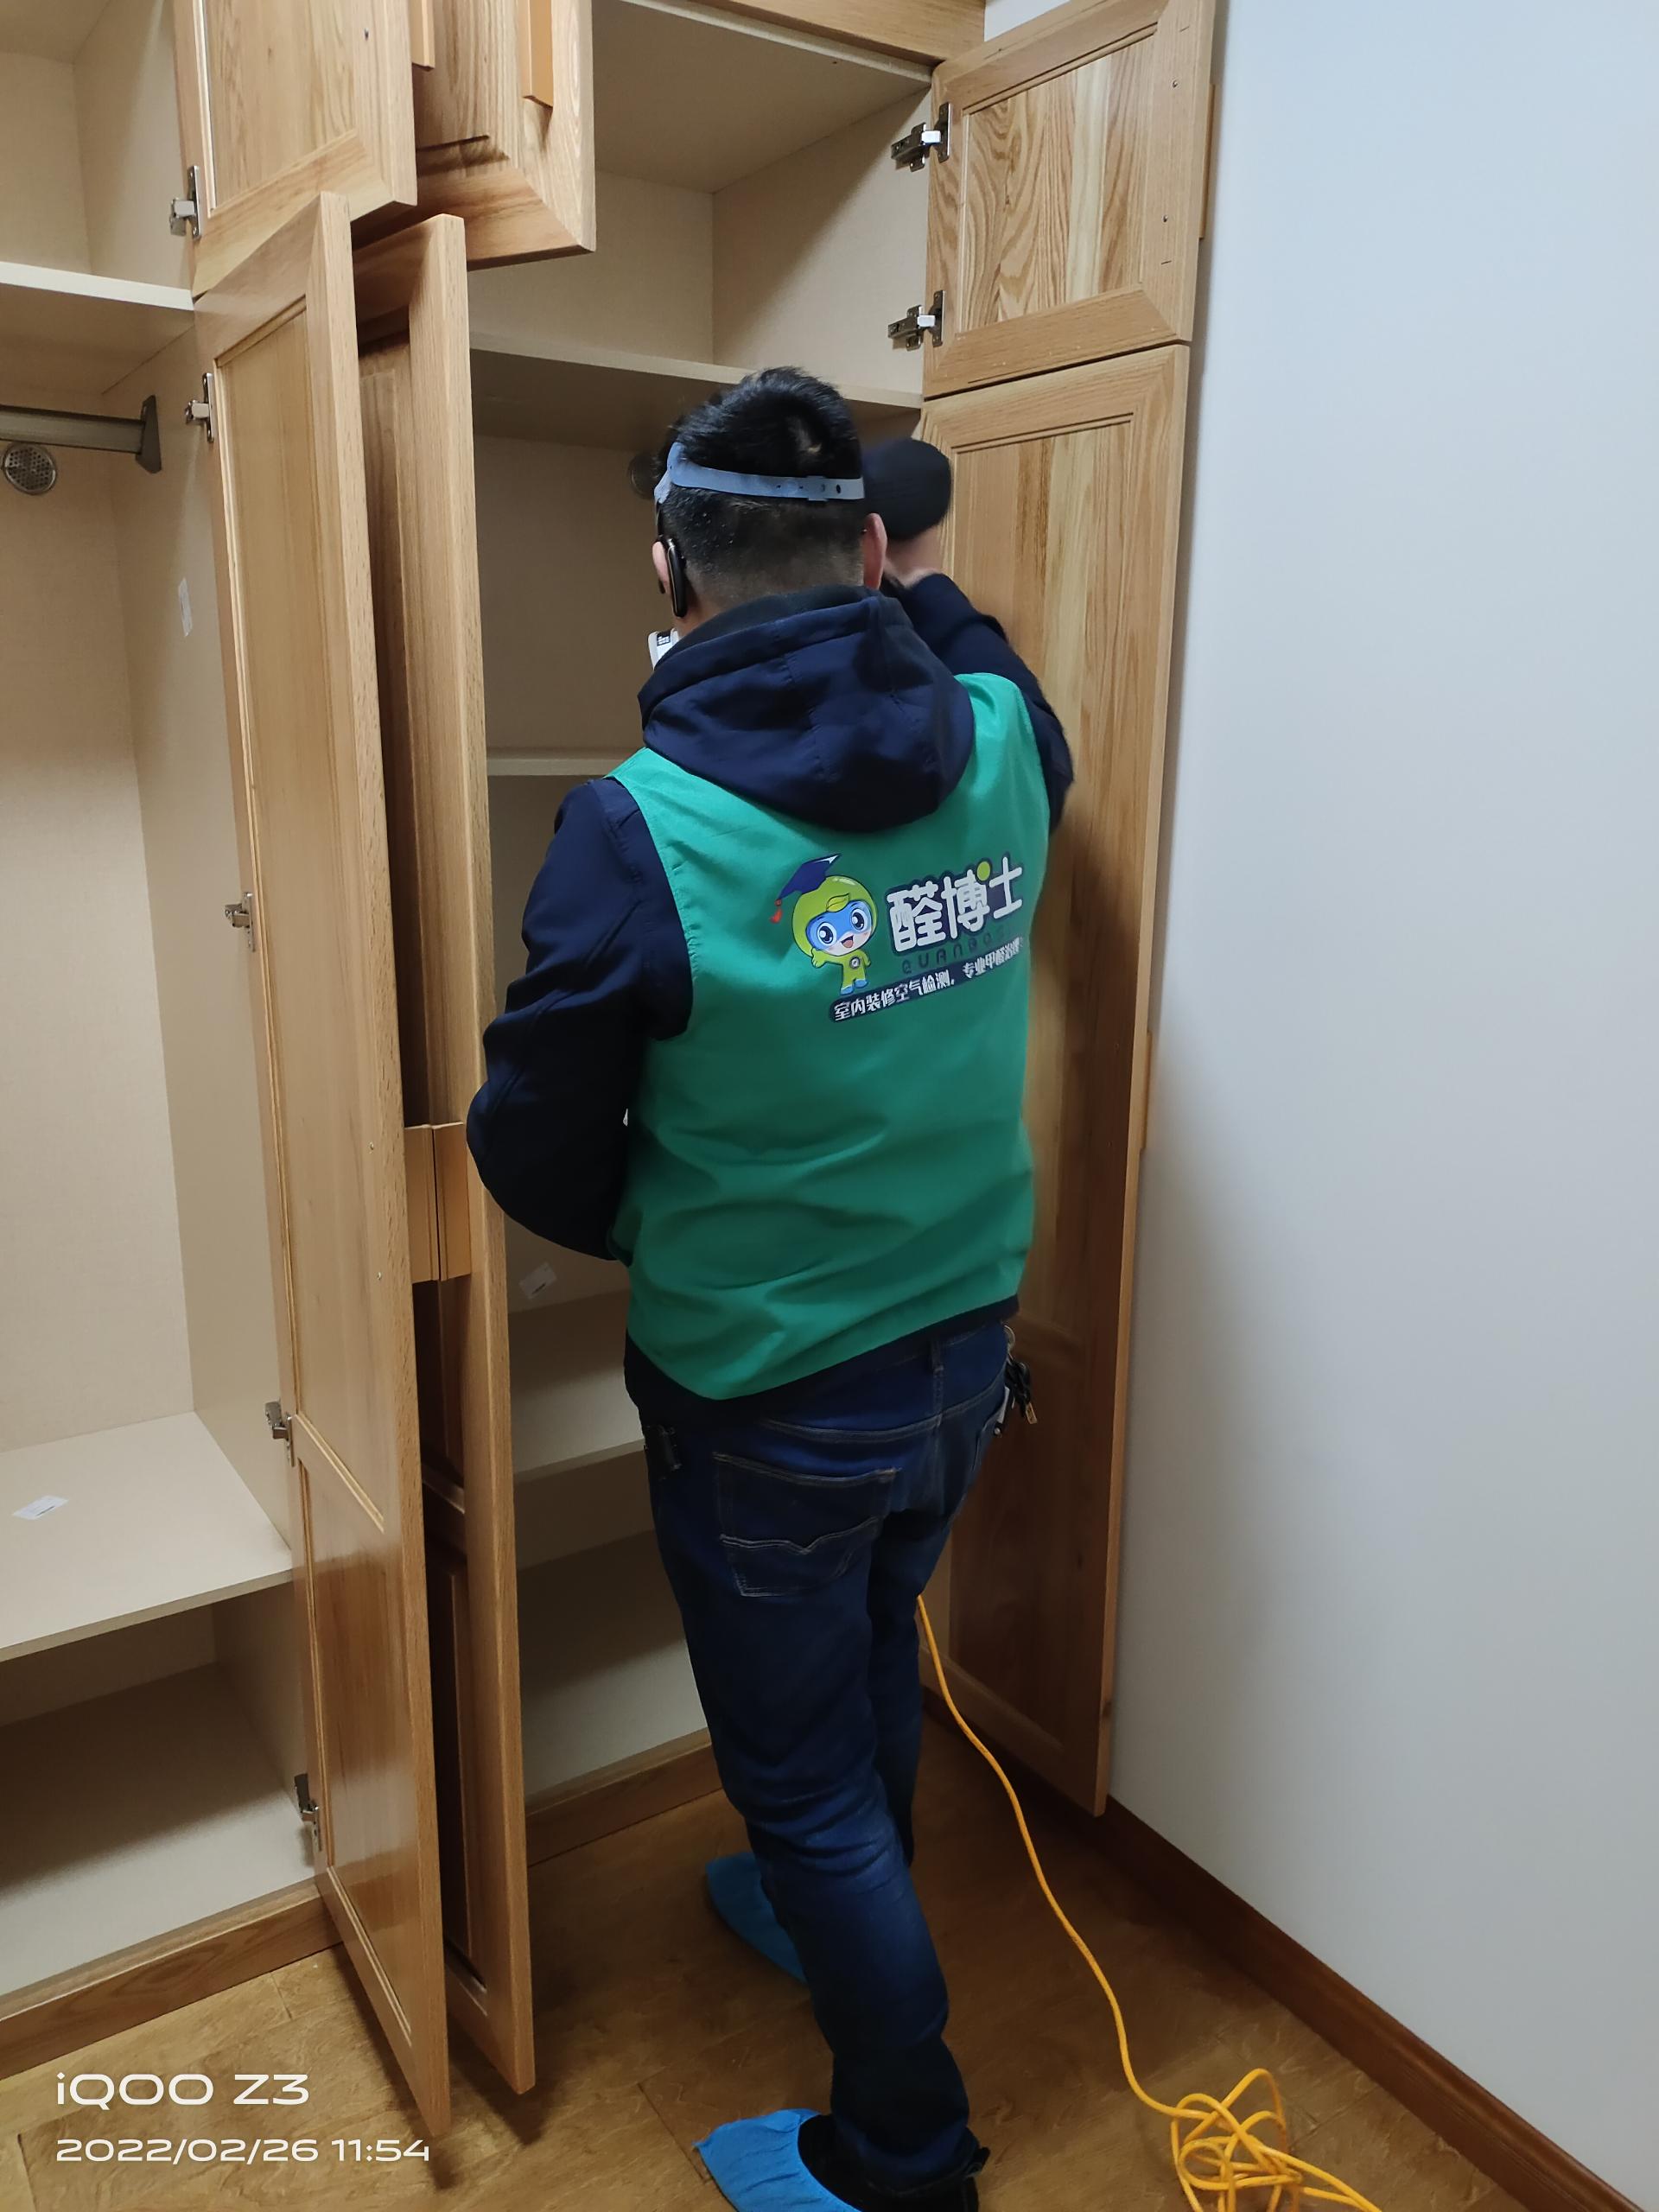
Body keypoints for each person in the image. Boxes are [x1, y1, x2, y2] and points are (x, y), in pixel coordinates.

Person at [468, 367, 1071, 2212]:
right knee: (874, 1641)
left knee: (799, 1780)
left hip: (766, 1389)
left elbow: (527, 1141)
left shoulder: (640, 826)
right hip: (961, 1349)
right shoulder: (999, 743)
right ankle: (838, 1916)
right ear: (877, 555)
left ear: (668, 571)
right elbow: (981, 648)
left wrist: (666, 1223)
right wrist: (911, 572)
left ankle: (903, 2152)